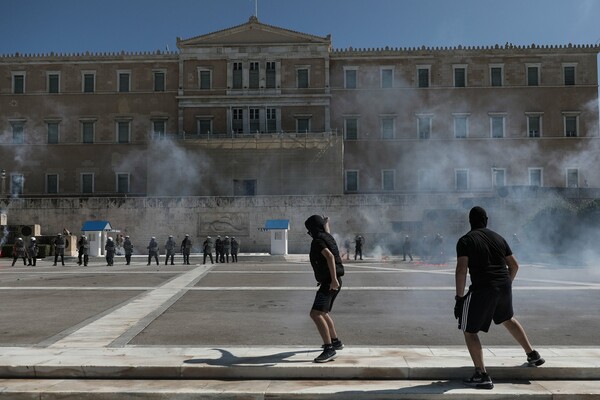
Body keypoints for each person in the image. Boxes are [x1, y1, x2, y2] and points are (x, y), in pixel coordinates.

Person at [455, 206, 545, 390]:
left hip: (483, 288)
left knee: (469, 329)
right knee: (507, 318)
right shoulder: (499, 238)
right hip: (503, 284)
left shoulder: (465, 240)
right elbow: (515, 266)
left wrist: (459, 297)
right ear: (486, 220)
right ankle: (532, 354)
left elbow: (461, 269)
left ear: (470, 221)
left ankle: (481, 374)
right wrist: (506, 285)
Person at [305, 214, 345, 363]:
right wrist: (327, 222)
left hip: (330, 281)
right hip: (333, 281)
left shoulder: (318, 241)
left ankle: (329, 349)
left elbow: (329, 257)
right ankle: (335, 341)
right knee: (323, 312)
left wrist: (333, 280)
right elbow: (326, 231)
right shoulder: (327, 236)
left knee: (315, 314)